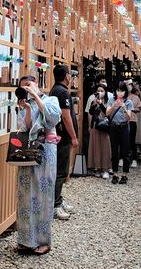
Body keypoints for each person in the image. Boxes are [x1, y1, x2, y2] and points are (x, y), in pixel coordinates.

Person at [15, 75, 61, 256]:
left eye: (28, 84)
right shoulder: (25, 103)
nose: (26, 88)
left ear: (37, 84)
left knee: (43, 194)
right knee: (25, 194)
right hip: (27, 150)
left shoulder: (51, 99)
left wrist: (35, 97)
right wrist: (26, 109)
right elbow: (25, 128)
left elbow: (52, 119)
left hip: (45, 151)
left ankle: (43, 241)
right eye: (22, 86)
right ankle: (26, 240)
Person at [50, 64, 78, 221]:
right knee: (60, 171)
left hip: (58, 137)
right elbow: (66, 117)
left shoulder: (56, 90)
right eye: (70, 74)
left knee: (60, 170)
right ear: (66, 76)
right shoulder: (62, 92)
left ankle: (58, 200)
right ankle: (55, 205)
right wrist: (74, 136)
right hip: (63, 137)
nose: (71, 77)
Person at [106, 81, 133, 184]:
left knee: (125, 151)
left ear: (125, 91)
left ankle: (125, 174)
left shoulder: (128, 102)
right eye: (118, 90)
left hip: (124, 127)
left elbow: (129, 117)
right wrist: (114, 105)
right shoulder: (111, 100)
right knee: (114, 151)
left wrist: (124, 107)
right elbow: (107, 113)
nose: (119, 92)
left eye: (121, 90)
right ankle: (115, 173)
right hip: (113, 127)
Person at [87, 84, 112, 178]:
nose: (100, 92)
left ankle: (105, 168)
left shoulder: (109, 101)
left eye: (102, 90)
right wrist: (94, 105)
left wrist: (101, 104)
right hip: (95, 125)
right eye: (98, 90)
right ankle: (97, 167)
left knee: (105, 147)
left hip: (104, 126)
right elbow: (90, 112)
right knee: (96, 146)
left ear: (105, 92)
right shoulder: (93, 100)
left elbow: (107, 113)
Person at [127, 81, 141, 166]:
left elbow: (139, 108)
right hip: (123, 120)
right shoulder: (122, 97)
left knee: (132, 140)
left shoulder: (136, 97)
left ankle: (134, 158)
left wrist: (130, 109)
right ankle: (123, 157)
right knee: (124, 140)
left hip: (132, 120)